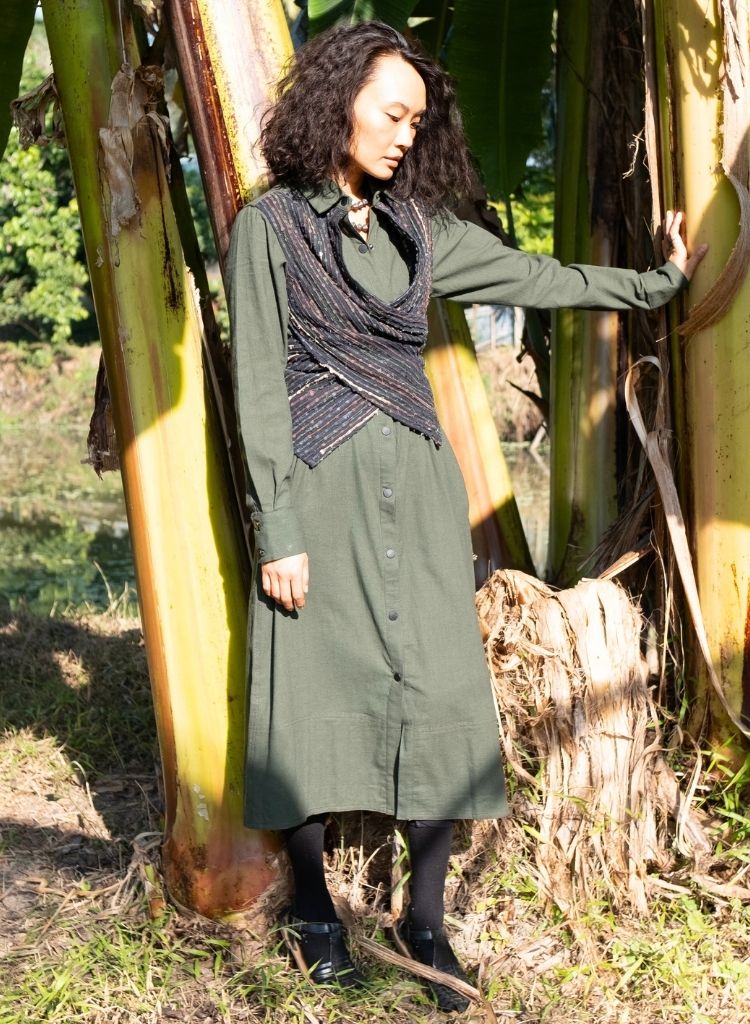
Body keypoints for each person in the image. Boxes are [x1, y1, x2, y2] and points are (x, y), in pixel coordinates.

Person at [226, 20, 706, 1012]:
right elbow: (260, 391)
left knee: (443, 695)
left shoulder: (420, 231)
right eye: (392, 113)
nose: (406, 133)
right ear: (339, 103)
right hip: (320, 490)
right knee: (308, 695)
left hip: (422, 487)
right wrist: (279, 531)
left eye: (418, 120)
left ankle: (426, 920)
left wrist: (657, 282)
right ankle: (314, 911)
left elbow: (540, 277)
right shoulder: (266, 229)